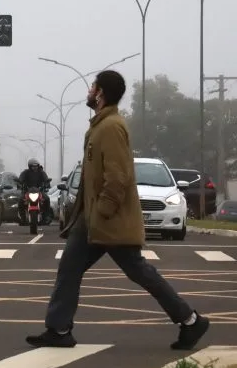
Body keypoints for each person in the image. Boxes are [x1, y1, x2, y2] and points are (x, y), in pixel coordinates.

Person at [25, 70, 209, 350]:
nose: (88, 91)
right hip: (94, 219)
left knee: (139, 271)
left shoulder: (111, 127)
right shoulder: (100, 125)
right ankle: (59, 329)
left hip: (107, 220)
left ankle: (191, 320)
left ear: (100, 93)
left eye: (92, 86)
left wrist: (103, 212)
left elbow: (118, 176)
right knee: (70, 269)